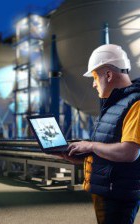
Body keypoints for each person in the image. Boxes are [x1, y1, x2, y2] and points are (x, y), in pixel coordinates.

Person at [63, 44, 140, 224]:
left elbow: (130, 152)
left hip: (118, 193)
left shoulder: (135, 104)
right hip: (108, 190)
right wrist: (80, 156)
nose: (93, 83)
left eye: (95, 76)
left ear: (108, 75)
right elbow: (107, 148)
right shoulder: (114, 104)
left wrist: (90, 145)